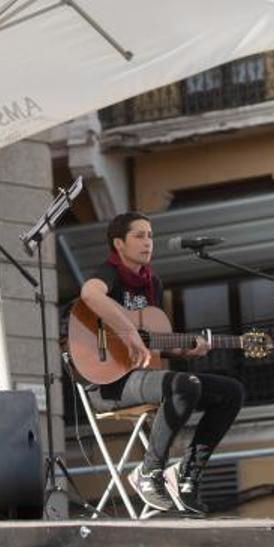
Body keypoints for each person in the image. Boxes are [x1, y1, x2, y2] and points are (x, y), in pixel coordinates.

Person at [78, 211, 246, 515]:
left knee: (231, 391)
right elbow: (89, 295)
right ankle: (149, 472)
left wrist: (183, 351)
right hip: (107, 385)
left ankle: (186, 475)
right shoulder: (108, 273)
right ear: (119, 243)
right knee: (184, 386)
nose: (148, 242)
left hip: (140, 376)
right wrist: (128, 332)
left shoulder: (152, 282)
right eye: (139, 236)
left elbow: (152, 341)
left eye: (150, 235)